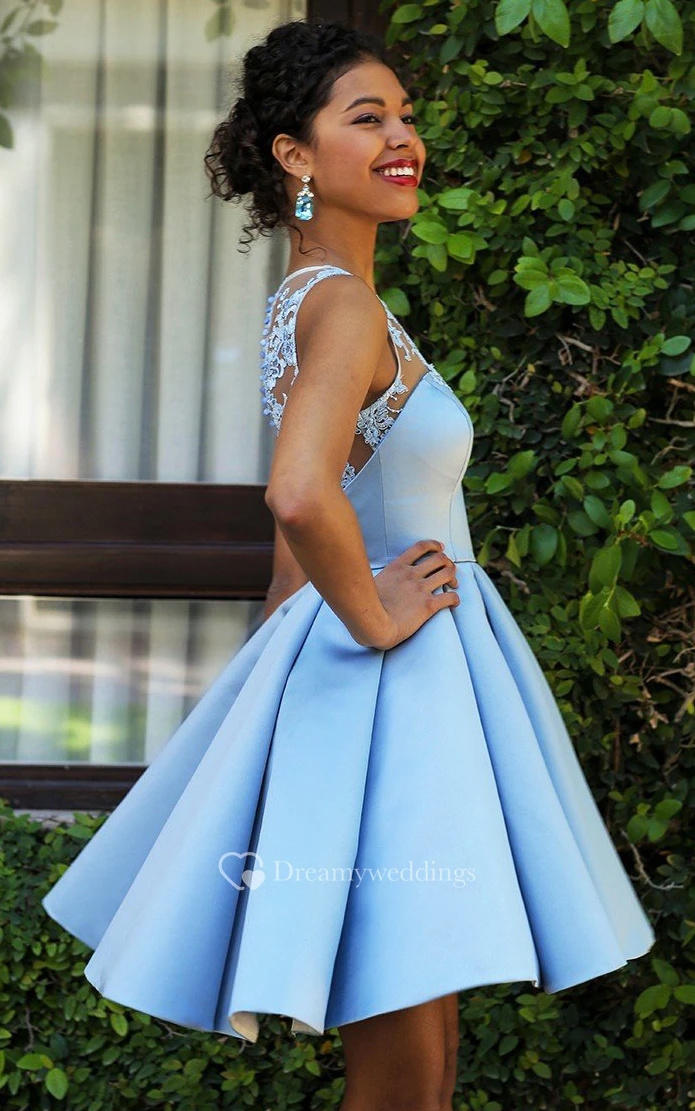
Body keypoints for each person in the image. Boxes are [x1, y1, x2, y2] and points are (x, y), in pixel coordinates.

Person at [41, 19, 656, 1111]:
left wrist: (282, 687)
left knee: (420, 1023)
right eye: (366, 118)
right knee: (408, 1040)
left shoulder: (313, 297)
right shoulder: (342, 305)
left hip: (373, 682)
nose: (401, 137)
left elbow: (301, 529)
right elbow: (296, 492)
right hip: (392, 676)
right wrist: (372, 618)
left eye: (405, 116)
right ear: (294, 153)